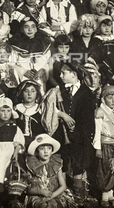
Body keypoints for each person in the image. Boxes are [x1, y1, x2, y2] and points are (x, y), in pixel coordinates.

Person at [39, 62, 96, 202]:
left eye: (64, 73)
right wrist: (62, 115)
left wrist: (79, 130)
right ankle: (63, 193)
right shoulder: (58, 90)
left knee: (78, 163)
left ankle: (78, 193)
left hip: (79, 135)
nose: (60, 75)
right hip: (61, 134)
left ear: (74, 74)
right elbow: (49, 108)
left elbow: (88, 118)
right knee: (62, 162)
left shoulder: (86, 92)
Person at [25, 133, 76, 208]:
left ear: (52, 150)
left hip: (54, 194)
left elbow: (63, 186)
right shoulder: (32, 166)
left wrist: (51, 196)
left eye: (49, 148)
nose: (46, 151)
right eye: (42, 148)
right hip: (38, 196)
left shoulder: (56, 164)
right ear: (37, 151)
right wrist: (41, 192)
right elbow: (28, 189)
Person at [93, 85, 114, 208]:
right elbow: (97, 130)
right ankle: (104, 196)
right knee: (105, 169)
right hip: (105, 145)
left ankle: (112, 195)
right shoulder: (100, 112)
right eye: (110, 98)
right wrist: (98, 147)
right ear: (103, 99)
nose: (113, 101)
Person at [14, 80, 45, 147]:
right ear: (21, 93)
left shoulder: (40, 108)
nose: (29, 94)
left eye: (33, 91)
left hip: (37, 141)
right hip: (19, 141)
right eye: (26, 91)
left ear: (37, 93)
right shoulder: (16, 108)